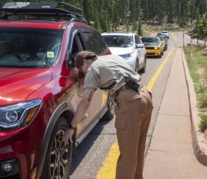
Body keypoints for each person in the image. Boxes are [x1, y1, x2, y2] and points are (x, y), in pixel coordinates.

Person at [62, 51, 153, 179]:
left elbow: (86, 101)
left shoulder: (93, 68)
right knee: (137, 148)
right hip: (146, 96)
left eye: (82, 70)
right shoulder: (112, 58)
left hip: (130, 102)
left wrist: (72, 127)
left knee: (127, 154)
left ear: (85, 62)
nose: (85, 73)